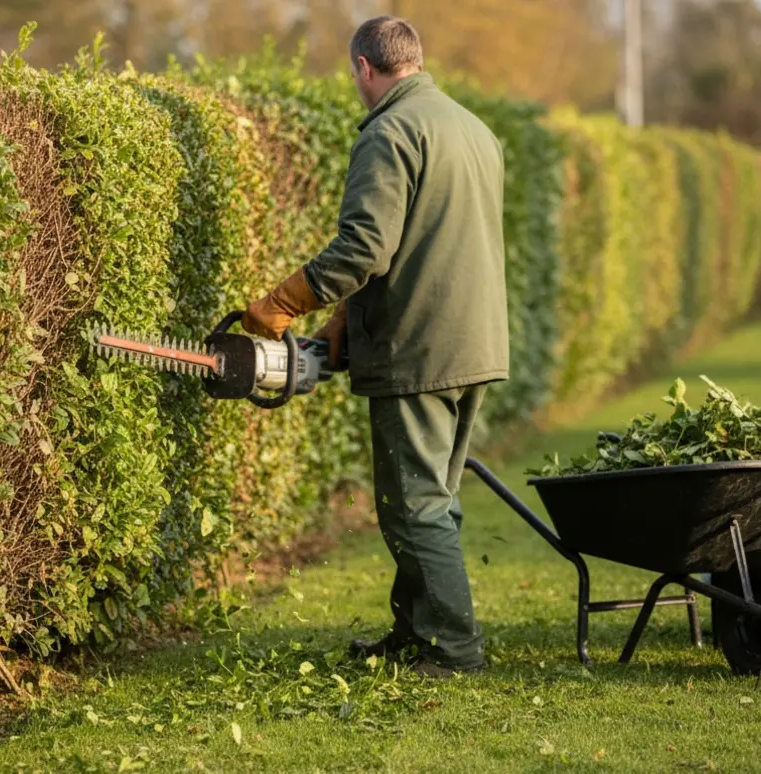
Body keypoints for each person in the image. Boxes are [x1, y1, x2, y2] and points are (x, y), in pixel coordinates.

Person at [240, 15, 508, 677]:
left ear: (364, 67)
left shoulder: (390, 131)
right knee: (433, 504)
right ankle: (417, 633)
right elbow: (421, 244)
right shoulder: (471, 129)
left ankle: (452, 648)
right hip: (472, 342)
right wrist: (340, 333)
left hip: (418, 349)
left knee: (413, 507)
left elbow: (366, 248)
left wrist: (281, 304)